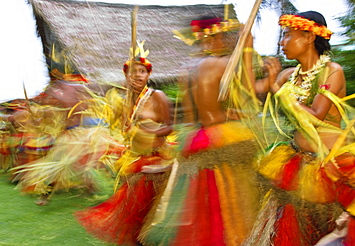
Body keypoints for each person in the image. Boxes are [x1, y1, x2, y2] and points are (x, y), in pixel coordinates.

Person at [138, 16, 260, 246]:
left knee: (199, 208)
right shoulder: (224, 64)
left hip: (197, 139)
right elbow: (250, 99)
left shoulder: (188, 70)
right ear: (218, 38)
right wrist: (247, 50)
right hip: (223, 138)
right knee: (228, 208)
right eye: (225, 36)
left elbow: (192, 119)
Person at [243, 11, 348, 245]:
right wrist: (246, 51)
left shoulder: (332, 71)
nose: (282, 42)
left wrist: (277, 90)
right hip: (296, 162)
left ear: (310, 37)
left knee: (325, 232)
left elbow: (316, 115)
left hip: (327, 168)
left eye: (288, 35)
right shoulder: (288, 75)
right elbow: (249, 90)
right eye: (283, 36)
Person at [74, 41, 175, 246]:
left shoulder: (157, 96)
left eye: (142, 71)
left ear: (148, 75)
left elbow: (169, 127)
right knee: (135, 218)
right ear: (125, 76)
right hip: (134, 162)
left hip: (156, 162)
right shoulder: (126, 101)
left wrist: (147, 128)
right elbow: (122, 130)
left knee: (156, 215)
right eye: (132, 72)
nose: (137, 76)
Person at [11, 75, 124, 206]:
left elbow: (99, 89)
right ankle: (52, 195)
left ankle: (108, 186)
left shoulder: (61, 89)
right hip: (81, 133)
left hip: (82, 134)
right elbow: (100, 88)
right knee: (67, 164)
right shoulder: (73, 89)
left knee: (65, 164)